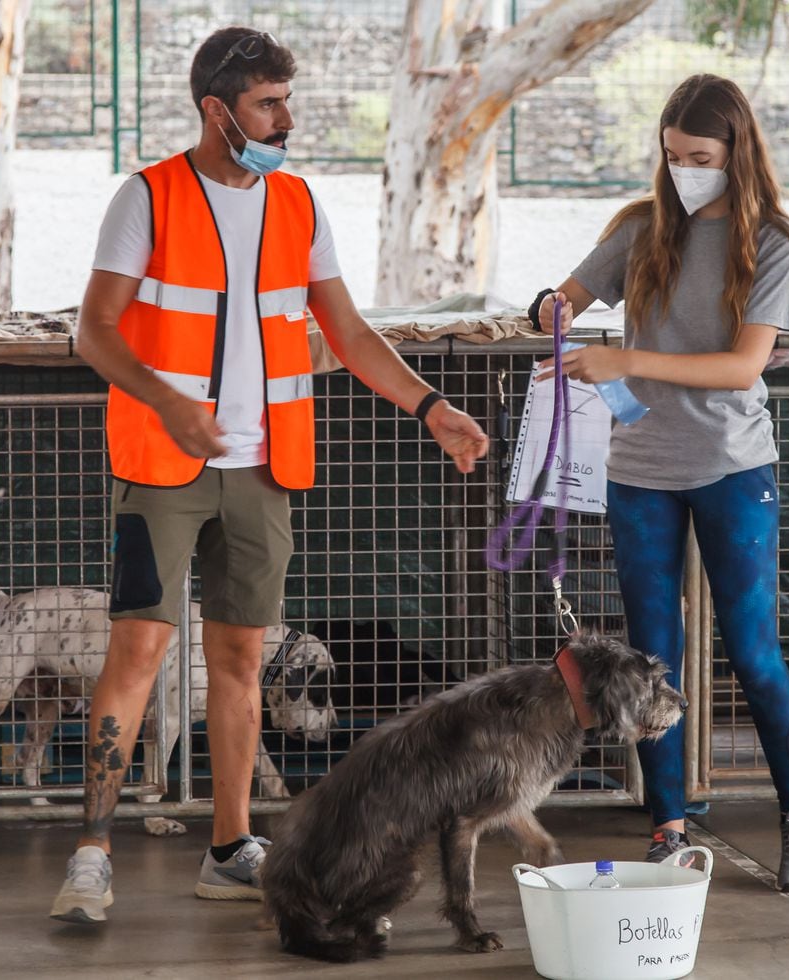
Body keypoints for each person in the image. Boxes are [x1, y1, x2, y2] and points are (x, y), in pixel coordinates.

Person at [50, 26, 488, 924]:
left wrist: (430, 406)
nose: (287, 120)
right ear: (218, 110)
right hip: (164, 465)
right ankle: (92, 852)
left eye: (287, 101)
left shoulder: (296, 203)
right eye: (269, 104)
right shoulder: (148, 198)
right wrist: (169, 404)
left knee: (242, 659)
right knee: (138, 648)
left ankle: (229, 848)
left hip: (264, 469)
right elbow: (93, 331)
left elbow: (353, 334)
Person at [530, 74, 789, 893]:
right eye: (672, 156)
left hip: (733, 468)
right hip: (641, 472)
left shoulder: (773, 242)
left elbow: (742, 366)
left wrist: (627, 358)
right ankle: (666, 826)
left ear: (738, 154)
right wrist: (555, 308)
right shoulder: (641, 226)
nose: (684, 170)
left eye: (700, 157)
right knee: (650, 657)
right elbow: (568, 295)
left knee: (755, 650)